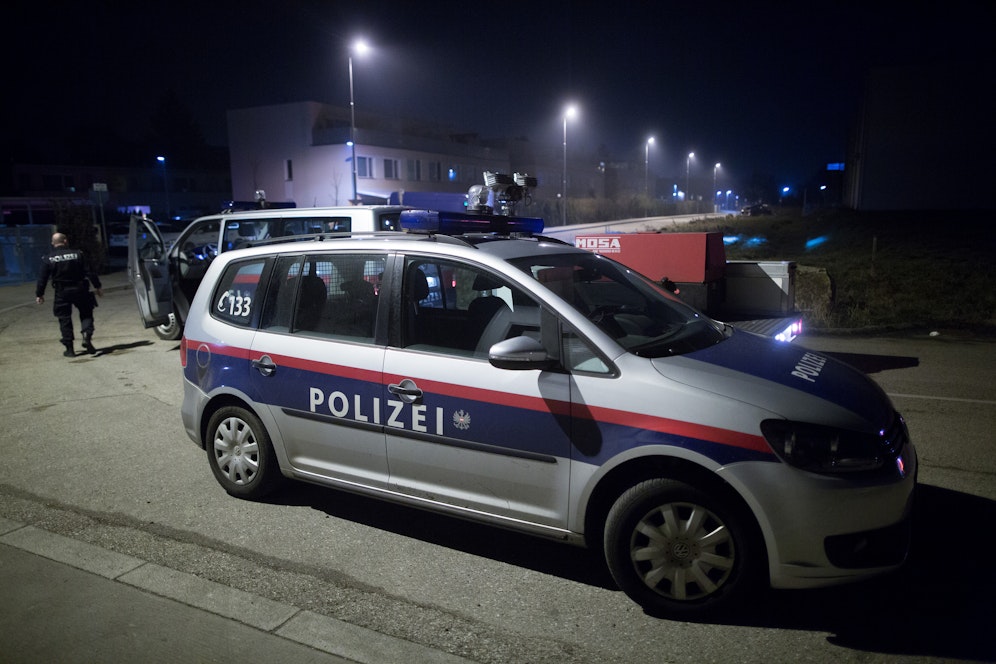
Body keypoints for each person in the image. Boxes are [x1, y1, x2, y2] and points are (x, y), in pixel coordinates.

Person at [35, 232, 103, 357]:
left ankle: (69, 349)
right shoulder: (78, 254)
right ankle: (87, 335)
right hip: (80, 288)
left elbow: (42, 279)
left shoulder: (48, 258)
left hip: (62, 292)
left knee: (64, 318)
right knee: (86, 312)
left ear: (53, 243)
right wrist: (98, 286)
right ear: (65, 241)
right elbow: (90, 272)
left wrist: (40, 294)